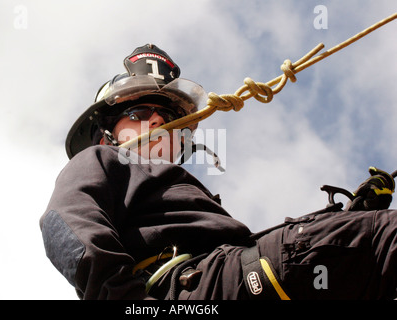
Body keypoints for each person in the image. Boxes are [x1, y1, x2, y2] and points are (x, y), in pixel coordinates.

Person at [40, 44, 396, 300]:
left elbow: (255, 250)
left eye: (169, 117)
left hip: (231, 275)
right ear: (106, 136)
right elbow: (65, 227)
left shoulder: (181, 196)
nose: (159, 120)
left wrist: (353, 215)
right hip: (197, 286)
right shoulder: (99, 162)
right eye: (139, 113)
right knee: (384, 238)